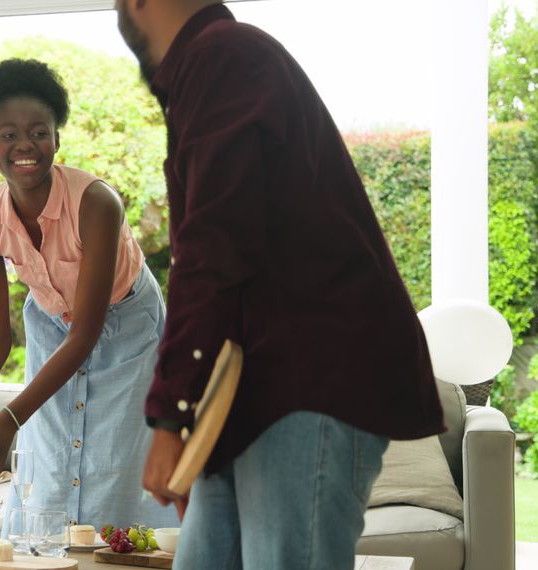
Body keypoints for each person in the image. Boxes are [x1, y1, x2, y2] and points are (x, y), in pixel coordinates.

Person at [114, 1, 446, 568]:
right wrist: (190, 419)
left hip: (307, 382)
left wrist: (170, 414)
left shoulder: (221, 57)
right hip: (257, 393)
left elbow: (213, 246)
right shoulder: (223, 59)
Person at [0, 58, 178, 530]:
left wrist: (11, 415)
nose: (24, 144)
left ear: (57, 139)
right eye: (8, 135)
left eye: (38, 132)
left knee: (118, 461)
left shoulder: (96, 203)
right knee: (50, 461)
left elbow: (89, 330)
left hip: (129, 324)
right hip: (51, 322)